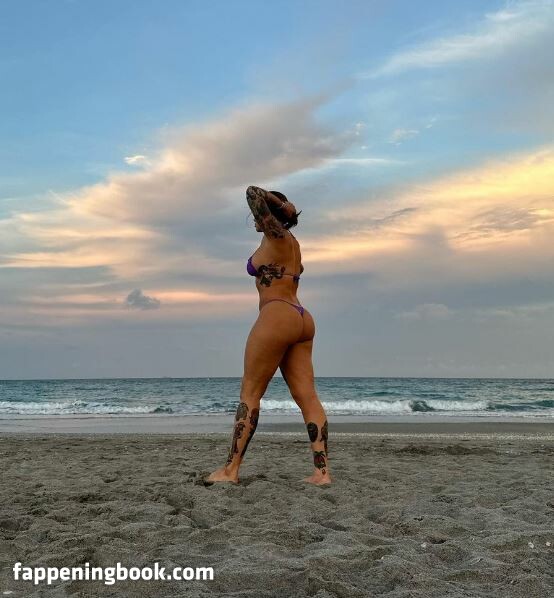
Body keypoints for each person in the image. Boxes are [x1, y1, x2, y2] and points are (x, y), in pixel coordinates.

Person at [207, 185, 331, 485]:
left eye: (259, 215)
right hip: (301, 318)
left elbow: (252, 192)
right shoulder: (292, 243)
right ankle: (322, 474)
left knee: (250, 392)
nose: (255, 219)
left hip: (277, 314)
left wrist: (285, 207)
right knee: (308, 397)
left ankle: (230, 471)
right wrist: (285, 211)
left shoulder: (277, 235)